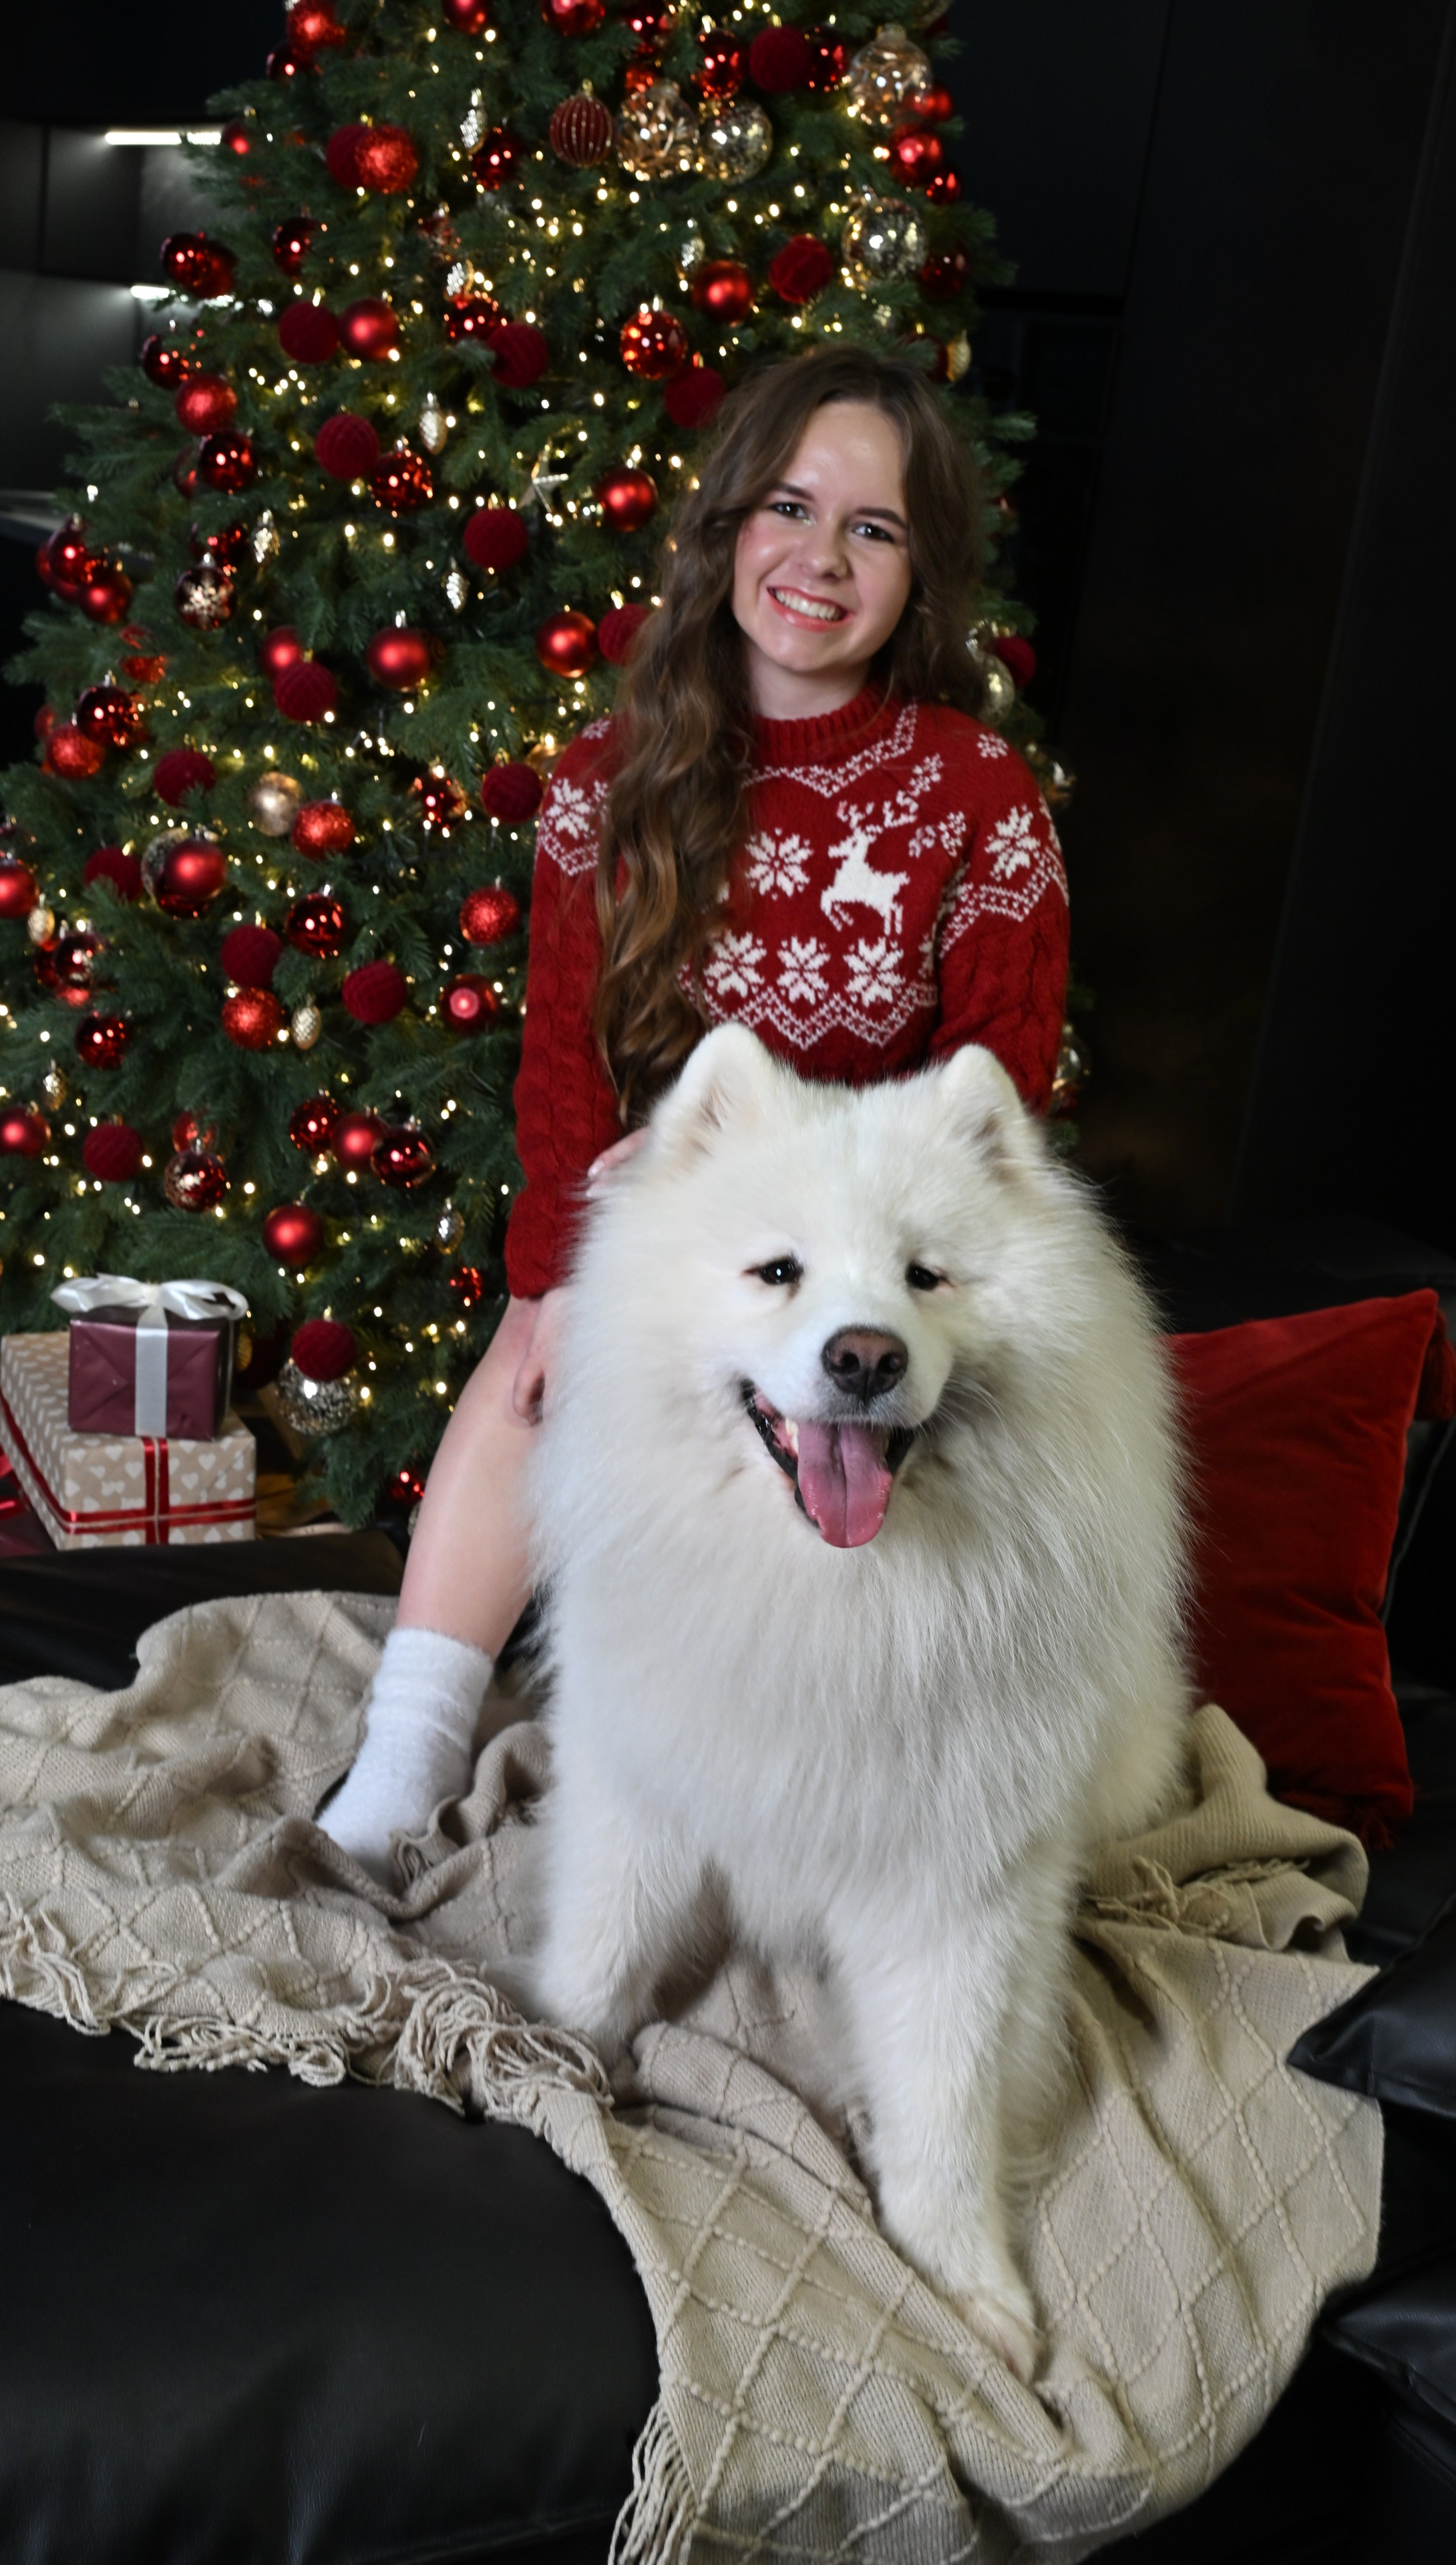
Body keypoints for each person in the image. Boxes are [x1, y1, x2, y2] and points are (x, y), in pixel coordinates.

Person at [321, 344, 1070, 1882]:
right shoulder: (611, 776)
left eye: (872, 529)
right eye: (789, 508)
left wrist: (825, 1175)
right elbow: (559, 1071)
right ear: (727, 527)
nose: (818, 558)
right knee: (524, 1375)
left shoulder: (974, 792)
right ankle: (402, 1762)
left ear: (917, 575)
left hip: (870, 1236)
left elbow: (1003, 1076)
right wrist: (545, 1282)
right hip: (682, 1234)